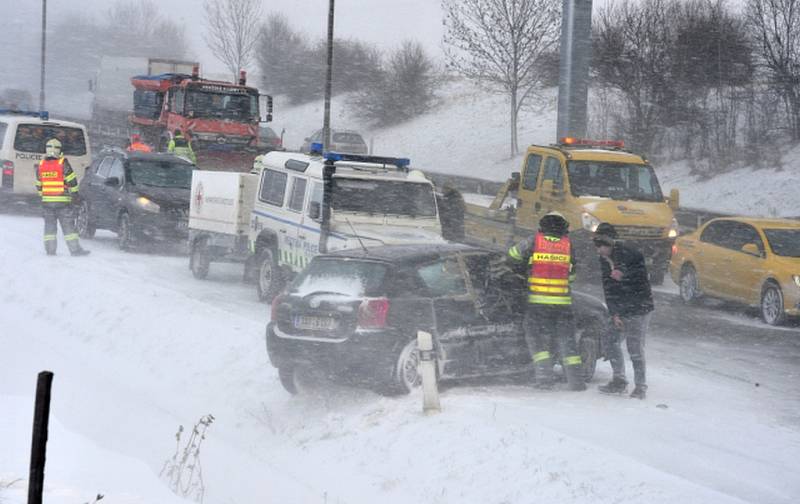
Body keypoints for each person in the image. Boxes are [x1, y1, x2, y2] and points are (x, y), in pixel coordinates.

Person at [508, 212, 585, 391]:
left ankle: (544, 379)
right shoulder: (568, 245)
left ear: (542, 225)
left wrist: (525, 270)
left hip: (537, 303)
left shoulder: (533, 241)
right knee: (567, 342)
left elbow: (511, 256)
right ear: (564, 227)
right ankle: (576, 382)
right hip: (563, 303)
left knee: (536, 338)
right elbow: (572, 275)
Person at [593, 223, 654, 399]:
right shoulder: (604, 260)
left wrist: (622, 273)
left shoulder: (631, 255)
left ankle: (640, 386)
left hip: (639, 309)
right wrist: (615, 313)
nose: (598, 250)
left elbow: (638, 284)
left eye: (601, 246)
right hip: (622, 309)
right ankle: (619, 380)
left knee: (634, 347)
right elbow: (609, 288)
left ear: (610, 243)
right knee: (610, 339)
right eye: (596, 246)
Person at [34, 138, 90, 256]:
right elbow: (72, 181)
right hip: (63, 202)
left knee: (49, 228)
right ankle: (75, 250)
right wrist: (75, 195)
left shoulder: (41, 165)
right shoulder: (62, 163)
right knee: (68, 227)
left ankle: (50, 250)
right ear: (59, 150)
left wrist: (44, 196)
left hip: (47, 203)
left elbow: (39, 184)